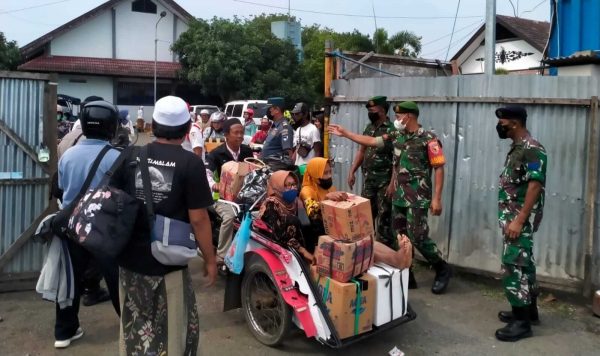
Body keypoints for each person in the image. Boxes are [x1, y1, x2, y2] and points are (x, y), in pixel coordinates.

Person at [111, 95, 217, 355]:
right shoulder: (190, 164)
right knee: (172, 329)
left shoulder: (130, 155)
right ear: (185, 130)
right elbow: (199, 218)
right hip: (169, 261)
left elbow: (112, 200)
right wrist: (210, 260)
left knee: (134, 325)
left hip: (130, 260)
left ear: (153, 125)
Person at [329, 100, 452, 295]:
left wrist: (437, 198)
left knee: (418, 237)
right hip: (399, 196)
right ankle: (407, 272)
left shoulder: (429, 138)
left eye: (398, 116)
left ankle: (442, 268)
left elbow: (438, 168)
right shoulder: (397, 135)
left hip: (418, 198)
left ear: (408, 116)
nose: (396, 119)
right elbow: (373, 142)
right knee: (400, 237)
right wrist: (346, 134)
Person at [53, 100, 121, 348]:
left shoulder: (68, 155)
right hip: (104, 228)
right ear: (111, 127)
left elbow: (61, 190)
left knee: (70, 280)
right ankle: (129, 323)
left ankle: (64, 332)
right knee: (115, 278)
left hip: (72, 226)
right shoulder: (117, 157)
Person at [300, 157, 413, 269]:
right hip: (319, 237)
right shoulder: (307, 190)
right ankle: (396, 260)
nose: (329, 176)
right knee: (359, 247)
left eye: (330, 172)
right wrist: (326, 198)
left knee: (365, 239)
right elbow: (312, 210)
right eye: (325, 173)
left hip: (334, 231)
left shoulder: (330, 188)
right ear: (315, 174)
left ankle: (398, 256)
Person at [493, 105, 546, 342]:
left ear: (514, 123)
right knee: (525, 263)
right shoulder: (517, 148)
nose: (500, 126)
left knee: (513, 264)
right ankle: (529, 310)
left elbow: (536, 184)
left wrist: (519, 220)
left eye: (503, 123)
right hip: (512, 216)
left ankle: (521, 322)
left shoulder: (532, 149)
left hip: (518, 219)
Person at [345, 96, 396, 253]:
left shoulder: (392, 130)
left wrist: (392, 183)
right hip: (369, 181)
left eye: (372, 110)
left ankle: (387, 253)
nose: (370, 113)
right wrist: (352, 170)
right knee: (365, 217)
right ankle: (366, 251)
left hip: (384, 182)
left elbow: (397, 159)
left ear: (382, 110)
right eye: (368, 110)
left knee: (384, 220)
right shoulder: (369, 128)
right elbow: (362, 150)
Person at [205, 119, 254, 266]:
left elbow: (253, 168)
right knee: (230, 216)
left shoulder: (246, 151)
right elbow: (206, 173)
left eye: (242, 132)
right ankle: (221, 255)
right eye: (236, 133)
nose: (240, 136)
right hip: (221, 198)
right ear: (226, 135)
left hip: (243, 195)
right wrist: (214, 185)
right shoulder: (216, 154)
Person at [258, 171, 314, 262]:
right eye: (288, 185)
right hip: (275, 243)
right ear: (278, 187)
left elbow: (306, 225)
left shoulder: (297, 202)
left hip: (294, 244)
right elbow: (277, 235)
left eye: (294, 184)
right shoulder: (271, 204)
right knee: (292, 220)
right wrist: (303, 251)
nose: (293, 188)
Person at [291, 102, 322, 166]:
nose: (295, 116)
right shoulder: (298, 130)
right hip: (299, 167)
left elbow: (317, 151)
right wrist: (292, 163)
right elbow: (297, 149)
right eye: (293, 114)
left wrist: (315, 168)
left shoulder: (313, 129)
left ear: (305, 114)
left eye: (297, 114)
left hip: (309, 167)